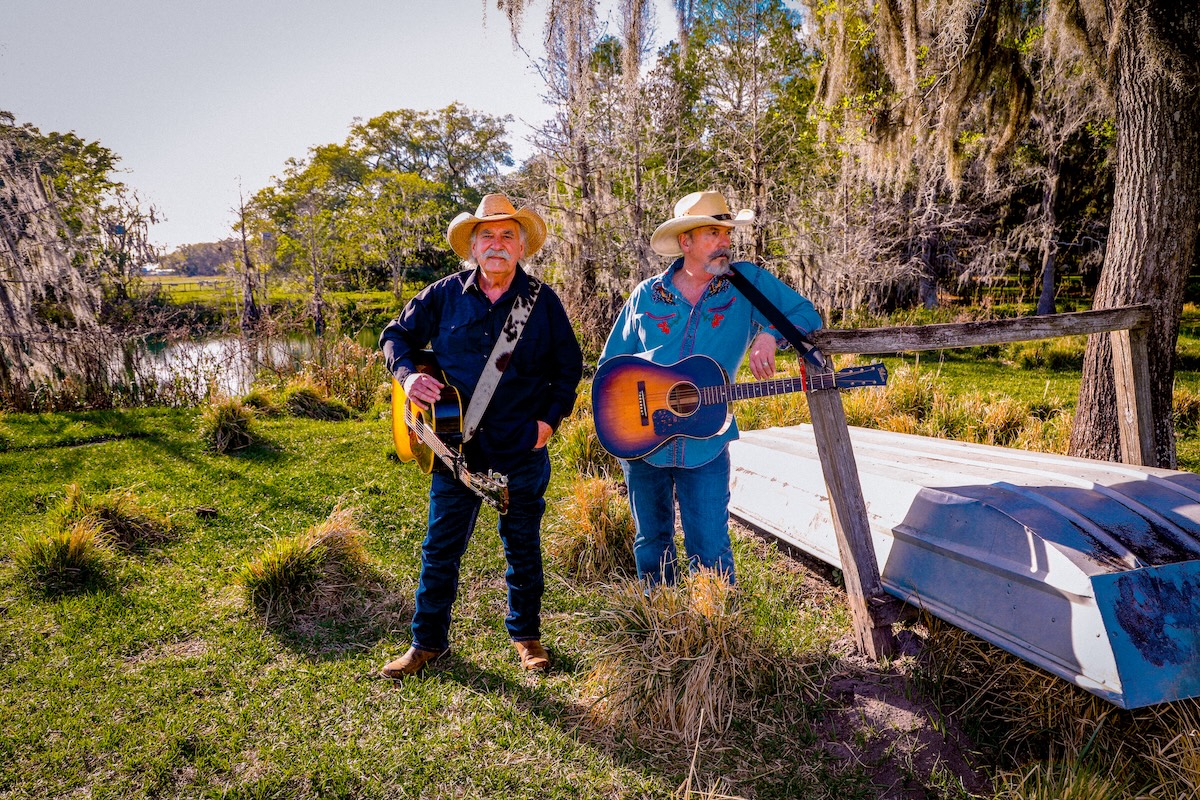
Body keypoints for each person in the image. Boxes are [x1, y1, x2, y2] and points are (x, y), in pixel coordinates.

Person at [378, 193, 583, 678]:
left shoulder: (543, 302)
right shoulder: (443, 294)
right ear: (472, 246)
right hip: (454, 449)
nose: (496, 244)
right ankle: (427, 643)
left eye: (506, 235)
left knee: (523, 545)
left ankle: (526, 637)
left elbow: (568, 367)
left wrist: (548, 422)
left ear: (520, 247)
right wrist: (407, 377)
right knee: (441, 547)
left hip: (521, 446)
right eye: (486, 236)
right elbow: (395, 336)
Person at [599, 190, 822, 586]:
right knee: (652, 542)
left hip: (706, 440)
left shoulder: (746, 283)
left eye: (727, 233)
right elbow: (609, 367)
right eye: (714, 234)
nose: (726, 242)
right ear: (685, 242)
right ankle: (661, 627)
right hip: (643, 441)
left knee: (710, 547)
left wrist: (769, 335)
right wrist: (628, 415)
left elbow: (806, 313)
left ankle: (717, 631)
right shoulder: (647, 295)